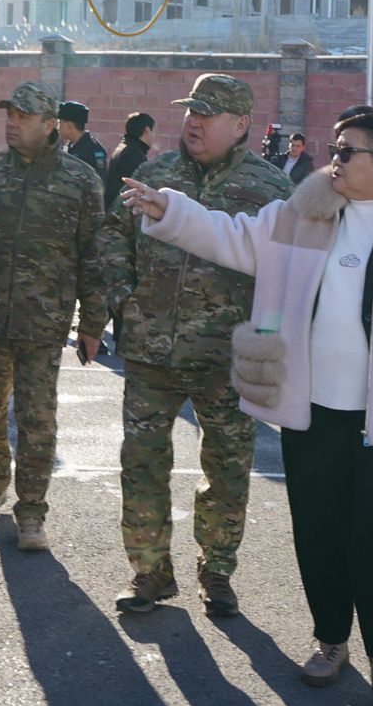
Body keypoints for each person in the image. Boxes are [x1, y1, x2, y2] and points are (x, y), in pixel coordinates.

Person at [120, 109, 373, 706]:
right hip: (315, 409)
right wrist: (173, 211)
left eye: (347, 151)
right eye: (334, 148)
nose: (333, 160)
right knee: (318, 529)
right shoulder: (303, 213)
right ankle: (331, 640)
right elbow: (234, 236)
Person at [99, 74, 293, 619]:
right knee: (142, 462)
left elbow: (288, 270)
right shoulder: (154, 174)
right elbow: (112, 235)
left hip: (226, 357)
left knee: (228, 468)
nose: (194, 122)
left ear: (241, 124)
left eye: (207, 114)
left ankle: (218, 570)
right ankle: (149, 571)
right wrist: (123, 298)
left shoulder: (271, 188)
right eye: (191, 111)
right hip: (151, 349)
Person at [0, 81, 108, 552]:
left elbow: (94, 256)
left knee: (37, 419)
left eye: (23, 117)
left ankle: (31, 511)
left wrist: (92, 323)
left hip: (43, 322)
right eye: (9, 115)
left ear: (50, 124)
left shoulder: (80, 181)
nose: (12, 124)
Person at [58, 100, 110, 191]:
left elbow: (99, 184)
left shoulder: (93, 150)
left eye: (60, 123)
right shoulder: (69, 147)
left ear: (69, 126)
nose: (58, 128)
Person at [107, 112, 156, 205]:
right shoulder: (134, 154)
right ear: (147, 130)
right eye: (153, 131)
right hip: (120, 208)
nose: (153, 136)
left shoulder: (124, 147)